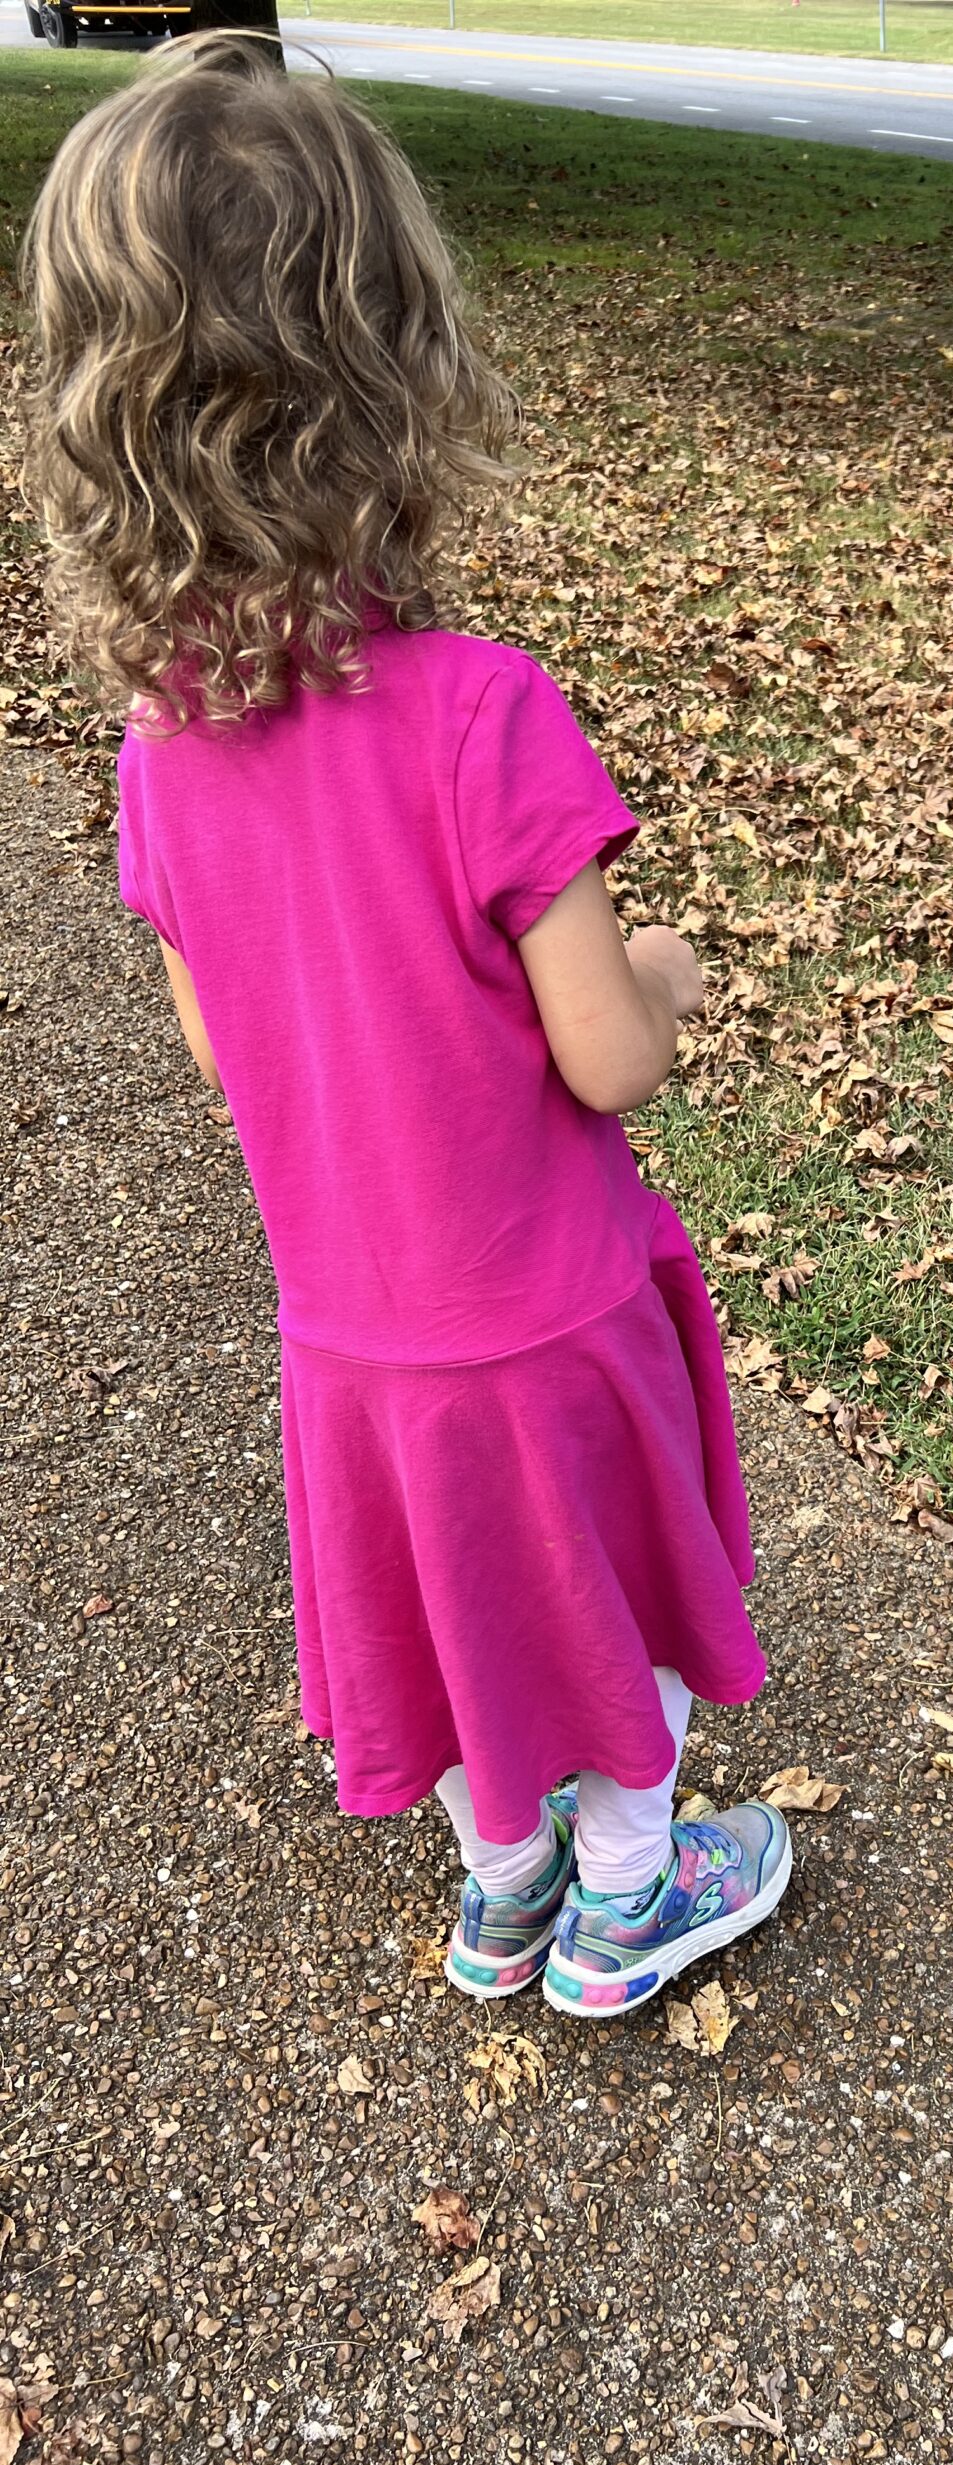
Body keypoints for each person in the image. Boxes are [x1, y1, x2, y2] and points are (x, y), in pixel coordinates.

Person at [23, 32, 791, 2018]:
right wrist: (680, 977)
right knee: (584, 1587)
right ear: (395, 373)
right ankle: (634, 1886)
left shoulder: (162, 753)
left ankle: (500, 1876)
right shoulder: (479, 713)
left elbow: (220, 1050)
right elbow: (604, 1050)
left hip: (353, 1328)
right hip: (541, 1304)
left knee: (452, 1596)